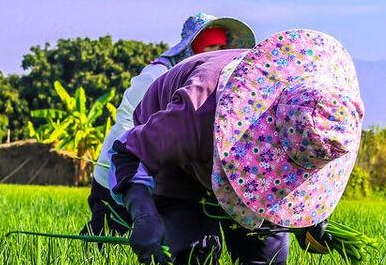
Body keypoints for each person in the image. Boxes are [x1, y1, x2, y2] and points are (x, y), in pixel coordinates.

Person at [106, 29, 364, 265]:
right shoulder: (191, 114)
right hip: (181, 166)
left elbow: (306, 156)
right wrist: (144, 214)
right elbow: (128, 152)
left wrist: (310, 218)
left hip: (252, 164)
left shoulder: (330, 119)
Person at [82, 12, 256, 235]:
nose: (216, 54)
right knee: (105, 231)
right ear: (191, 47)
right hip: (121, 166)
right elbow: (129, 120)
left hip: (162, 166)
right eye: (209, 47)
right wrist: (131, 163)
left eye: (221, 47)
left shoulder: (213, 84)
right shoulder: (158, 73)